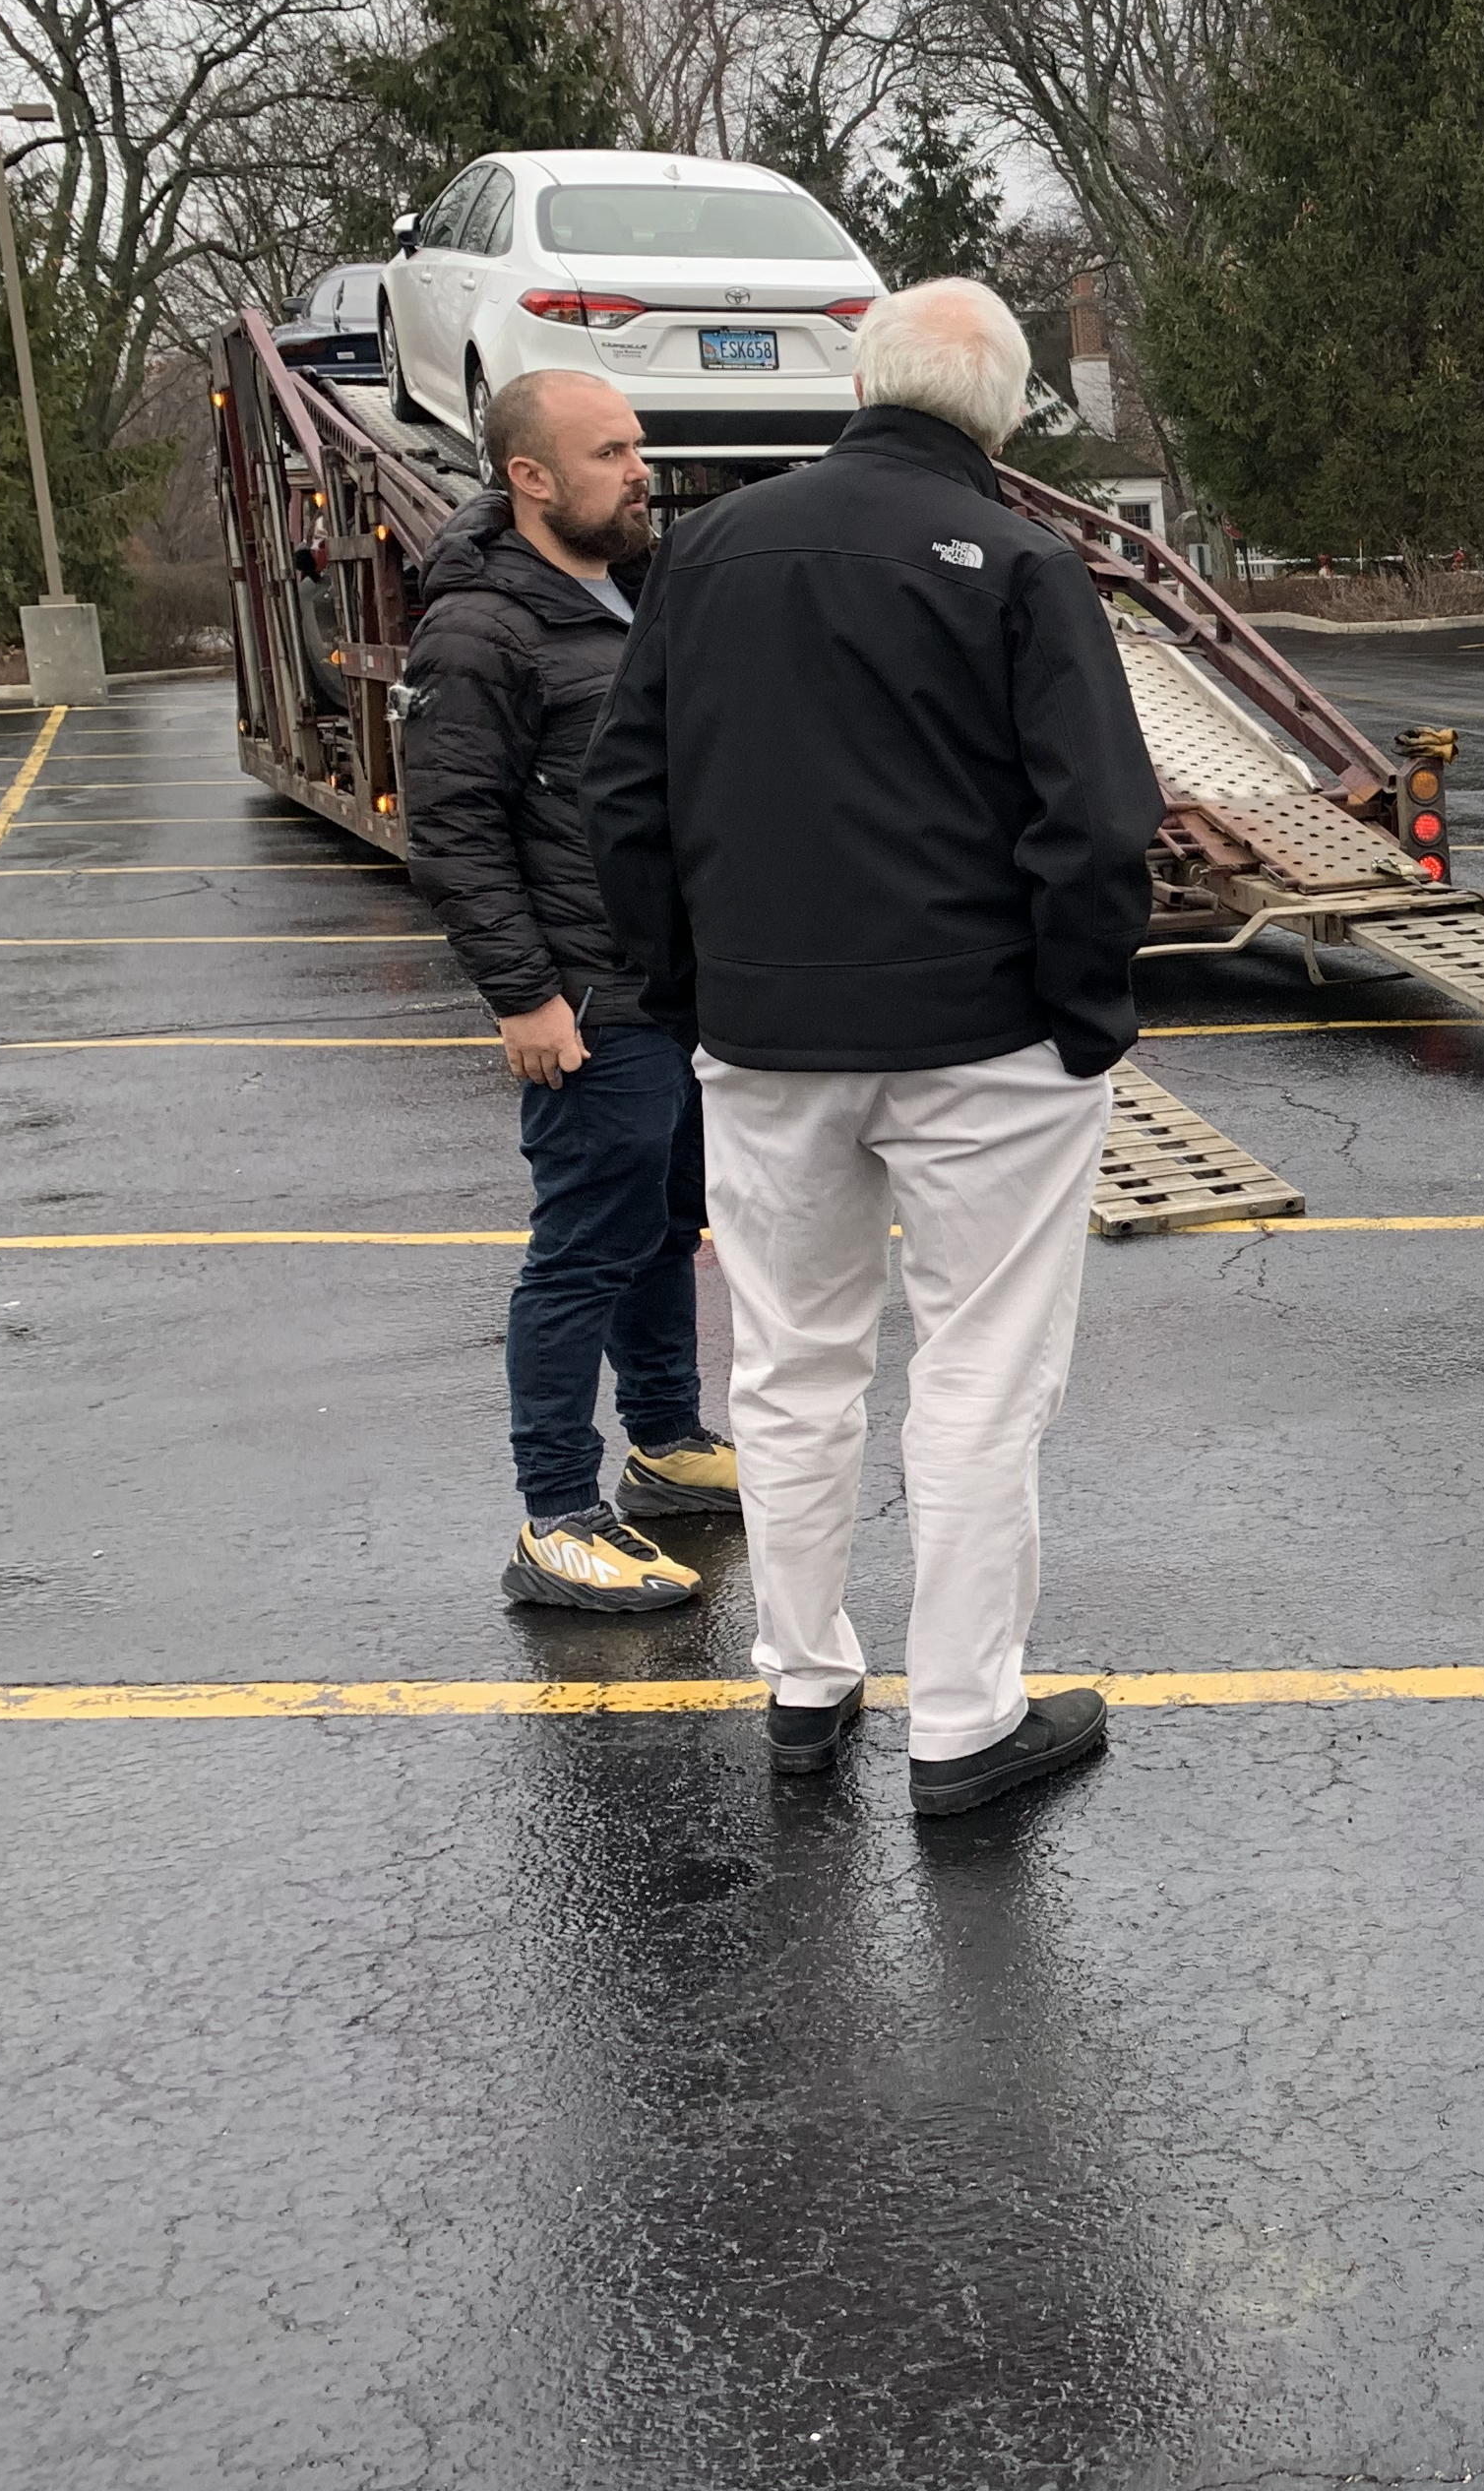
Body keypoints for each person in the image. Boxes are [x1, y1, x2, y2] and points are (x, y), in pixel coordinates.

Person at [585, 280, 1161, 1816]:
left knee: (789, 1365)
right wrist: (1082, 1011)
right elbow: (1099, 825)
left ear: (862, 380)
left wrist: (689, 987)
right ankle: (965, 1719)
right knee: (979, 1372)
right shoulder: (1025, 564)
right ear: (1008, 410)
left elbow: (624, 803)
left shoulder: (703, 555)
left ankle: (804, 1678)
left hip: (768, 1036)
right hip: (987, 1040)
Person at [402, 368, 739, 1613]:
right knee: (581, 1253)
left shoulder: (639, 590)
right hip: (586, 1001)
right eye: (611, 453)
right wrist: (523, 996)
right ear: (529, 477)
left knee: (665, 1227)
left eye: (637, 447)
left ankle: (665, 1441)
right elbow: (454, 831)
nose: (641, 470)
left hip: (673, 986)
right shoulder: (482, 629)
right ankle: (555, 1517)